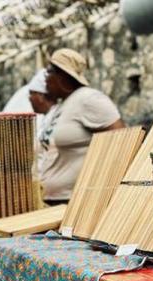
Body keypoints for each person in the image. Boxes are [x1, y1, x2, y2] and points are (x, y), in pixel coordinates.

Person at [41, 48, 125, 204]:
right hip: (54, 201)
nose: (45, 79)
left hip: (76, 202)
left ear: (62, 76)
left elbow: (124, 142)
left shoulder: (89, 99)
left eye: (48, 72)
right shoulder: (62, 105)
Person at [26, 68, 58, 177]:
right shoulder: (43, 119)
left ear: (41, 95)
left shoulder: (58, 115)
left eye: (31, 94)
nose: (29, 98)